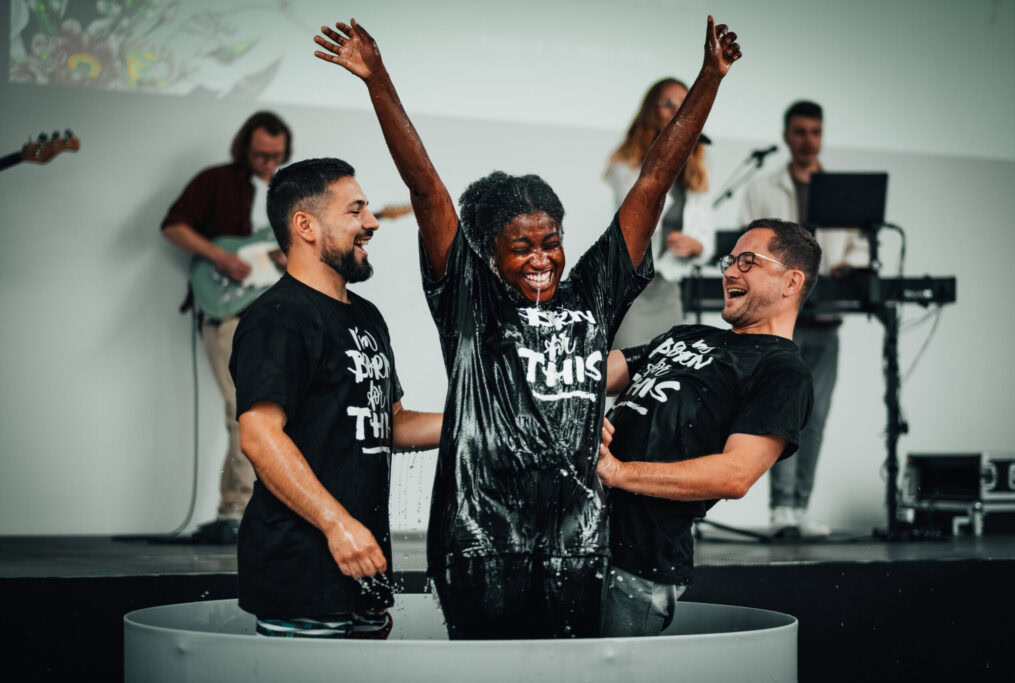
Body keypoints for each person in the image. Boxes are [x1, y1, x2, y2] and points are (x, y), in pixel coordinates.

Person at [313, 16, 741, 639]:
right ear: (489, 254)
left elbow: (654, 180)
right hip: (478, 539)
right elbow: (428, 192)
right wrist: (378, 80)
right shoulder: (468, 300)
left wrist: (709, 79)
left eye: (552, 243)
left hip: (580, 540)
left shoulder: (593, 296)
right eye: (521, 247)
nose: (541, 258)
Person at [230, 157, 442, 638]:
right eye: (355, 211)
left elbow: (393, 424)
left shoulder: (366, 316)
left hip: (361, 572)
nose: (371, 223)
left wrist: (482, 421)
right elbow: (260, 437)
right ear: (305, 225)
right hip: (302, 571)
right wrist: (336, 525)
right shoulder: (279, 318)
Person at [598, 218, 818, 636]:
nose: (730, 272)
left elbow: (735, 475)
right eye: (729, 261)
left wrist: (618, 472)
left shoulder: (783, 370)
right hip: (575, 538)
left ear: (791, 281)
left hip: (635, 564)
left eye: (748, 262)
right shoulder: (686, 334)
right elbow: (592, 375)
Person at [738, 100, 869, 537]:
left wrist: (850, 265)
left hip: (827, 323)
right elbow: (746, 246)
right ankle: (781, 510)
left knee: (817, 418)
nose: (807, 139)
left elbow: (860, 246)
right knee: (780, 415)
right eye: (799, 131)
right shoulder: (763, 186)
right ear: (786, 134)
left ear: (822, 134)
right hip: (782, 325)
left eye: (815, 131)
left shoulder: (844, 190)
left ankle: (800, 506)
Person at [161, 111, 292, 542]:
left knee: (271, 411)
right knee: (244, 411)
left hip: (273, 317)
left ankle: (262, 508)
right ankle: (235, 509)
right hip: (227, 315)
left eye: (276, 155)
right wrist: (220, 256)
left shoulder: (292, 193)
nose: (268, 164)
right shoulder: (216, 181)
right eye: (260, 155)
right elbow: (174, 226)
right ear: (244, 148)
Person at [605, 78, 715, 348]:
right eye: (668, 104)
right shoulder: (626, 165)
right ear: (650, 111)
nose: (677, 111)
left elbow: (708, 242)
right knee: (625, 374)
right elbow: (639, 212)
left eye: (683, 105)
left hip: (669, 287)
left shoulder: (698, 170)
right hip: (631, 289)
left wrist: (696, 246)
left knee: (666, 371)